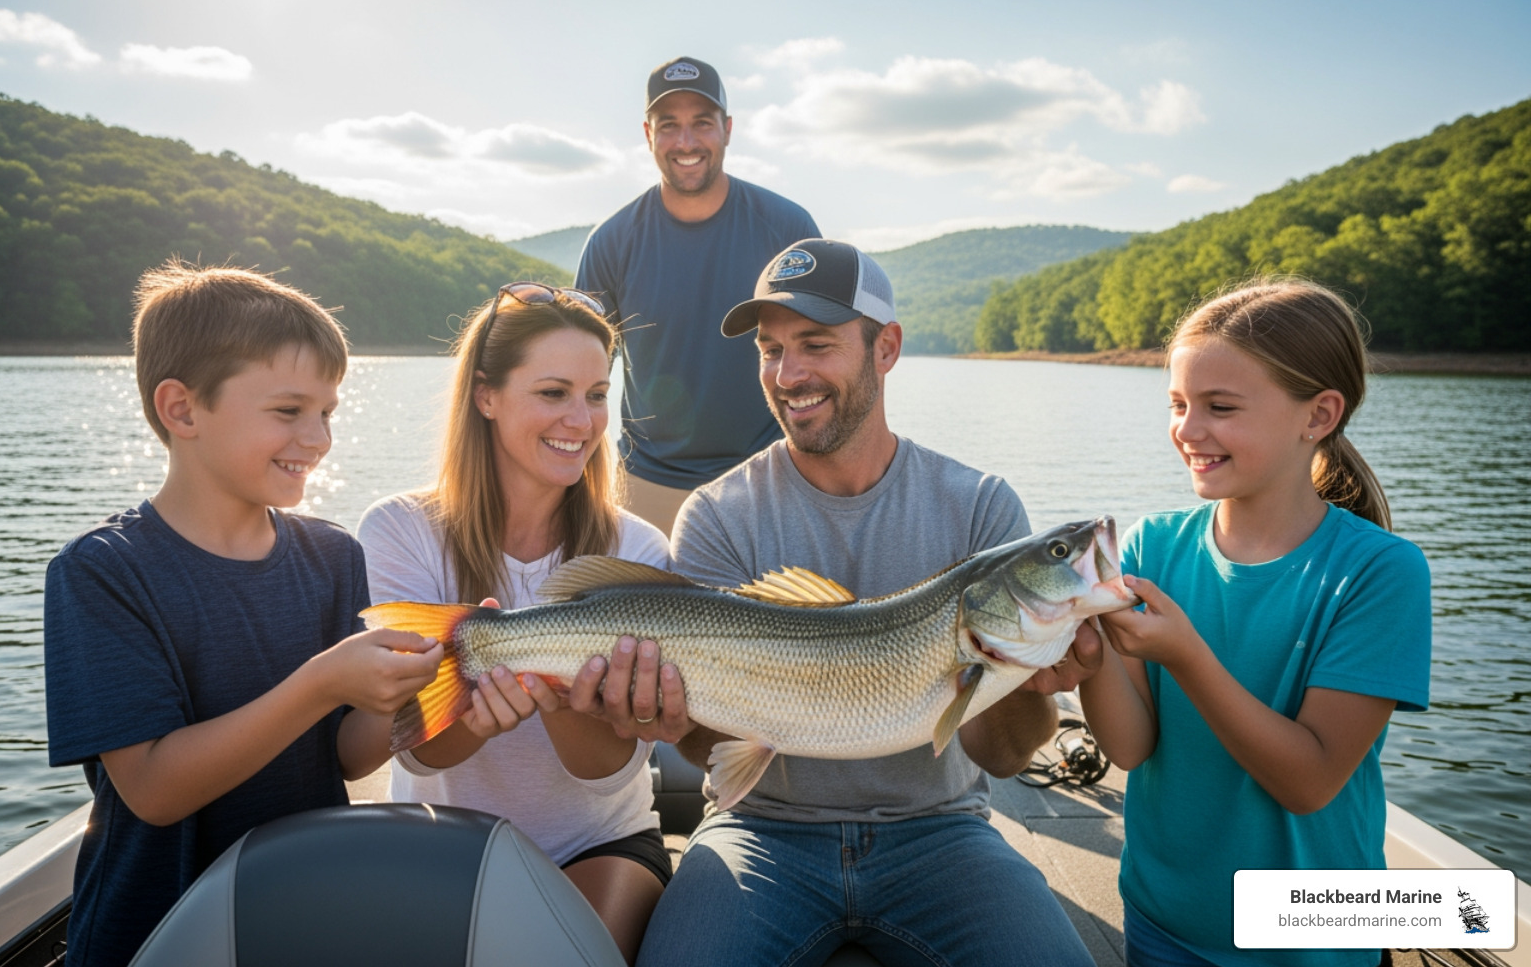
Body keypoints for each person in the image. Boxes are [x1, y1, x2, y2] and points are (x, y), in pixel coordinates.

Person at [592, 238, 1097, 967]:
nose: (788, 375)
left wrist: (1025, 669)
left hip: (942, 831)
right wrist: (664, 717)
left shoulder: (980, 506)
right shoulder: (717, 514)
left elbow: (1008, 755)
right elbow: (709, 749)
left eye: (816, 345)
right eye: (770, 349)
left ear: (885, 348)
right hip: (760, 833)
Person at [43, 261, 443, 967]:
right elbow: (155, 790)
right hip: (154, 939)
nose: (317, 438)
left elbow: (346, 756)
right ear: (182, 409)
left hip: (300, 922)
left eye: (327, 413)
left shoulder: (332, 555)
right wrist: (321, 682)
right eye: (289, 411)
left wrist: (421, 687)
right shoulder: (101, 572)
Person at [1078, 278, 1432, 967]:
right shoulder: (1153, 546)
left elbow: (1310, 781)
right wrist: (1091, 657)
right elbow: (1130, 747)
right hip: (1162, 921)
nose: (1187, 429)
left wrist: (1186, 656)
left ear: (1318, 415)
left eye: (1221, 407)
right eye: (1178, 404)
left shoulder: (1380, 573)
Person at [356, 281, 672, 964]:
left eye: (596, 395)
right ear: (486, 396)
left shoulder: (639, 549)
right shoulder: (398, 531)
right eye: (554, 393)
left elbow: (611, 772)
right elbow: (415, 749)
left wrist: (560, 700)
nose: (582, 421)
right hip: (441, 836)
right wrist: (473, 717)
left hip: (600, 841)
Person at [575, 55, 821, 535]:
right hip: (645, 488)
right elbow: (578, 377)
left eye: (702, 123)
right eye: (669, 125)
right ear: (648, 134)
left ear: (727, 129)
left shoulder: (789, 230)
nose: (686, 142)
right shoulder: (611, 242)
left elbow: (824, 356)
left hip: (770, 480)